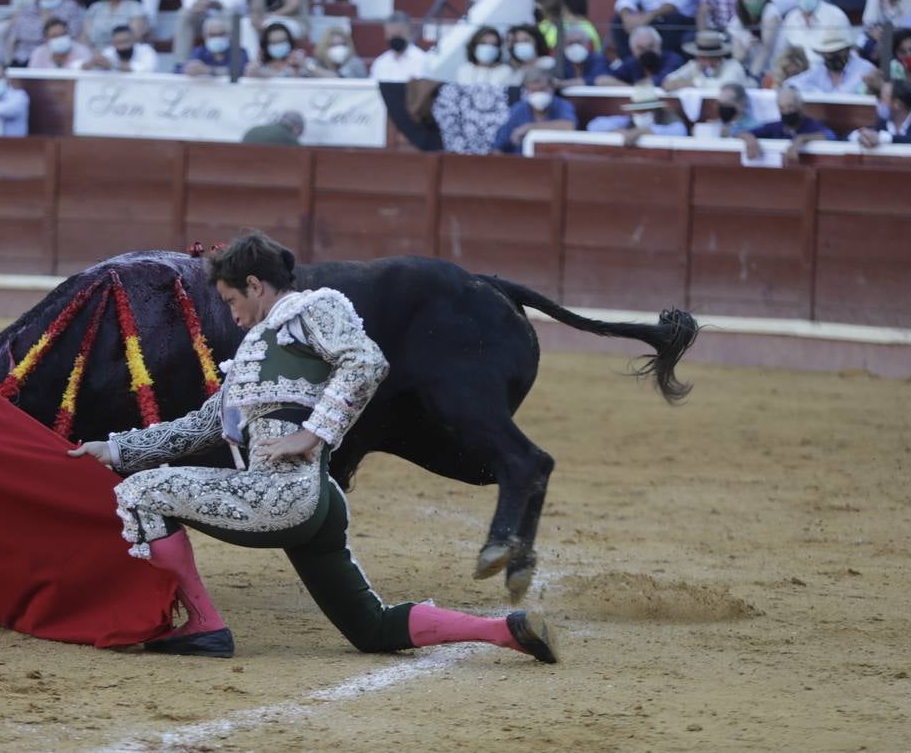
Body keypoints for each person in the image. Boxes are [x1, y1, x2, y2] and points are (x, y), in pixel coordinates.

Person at [68, 233, 558, 662]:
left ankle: (204, 625)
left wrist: (315, 432)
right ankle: (504, 632)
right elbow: (204, 427)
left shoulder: (310, 310)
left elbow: (366, 362)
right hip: (313, 507)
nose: (229, 314)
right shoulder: (254, 350)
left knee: (141, 493)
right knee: (371, 627)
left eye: (230, 300)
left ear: (256, 286)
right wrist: (112, 450)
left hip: (280, 498)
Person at [491, 66, 576, 154]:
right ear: (527, 90)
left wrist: (528, 127)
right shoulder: (519, 108)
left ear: (552, 88)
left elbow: (569, 126)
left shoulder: (562, 105)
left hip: (553, 160)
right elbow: (499, 145)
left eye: (542, 89)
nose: (538, 94)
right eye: (533, 90)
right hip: (521, 162)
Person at [740, 85, 835, 163]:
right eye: (782, 108)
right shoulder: (775, 127)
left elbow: (830, 135)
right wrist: (749, 138)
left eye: (790, 107)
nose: (786, 112)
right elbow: (740, 132)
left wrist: (802, 139)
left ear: (800, 106)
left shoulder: (809, 124)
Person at [6, 0, 86, 66]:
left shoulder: (70, 8)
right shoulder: (28, 10)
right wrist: (45, 24)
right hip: (26, 56)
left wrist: (50, 31)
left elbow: (73, 31)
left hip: (62, 55)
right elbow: (23, 34)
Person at [779, 0, 851, 68]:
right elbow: (783, 50)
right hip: (797, 72)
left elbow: (845, 51)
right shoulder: (791, 18)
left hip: (828, 69)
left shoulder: (835, 15)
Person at [849, 78, 911, 147]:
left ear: (897, 104)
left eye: (882, 98)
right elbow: (845, 137)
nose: (879, 103)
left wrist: (885, 138)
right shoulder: (880, 124)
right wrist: (860, 136)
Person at [785, 28, 875, 94]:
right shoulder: (820, 70)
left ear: (846, 50)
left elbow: (843, 95)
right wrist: (815, 92)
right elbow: (791, 83)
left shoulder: (864, 69)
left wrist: (820, 94)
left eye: (836, 52)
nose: (830, 56)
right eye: (827, 53)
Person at [588, 85, 688, 143]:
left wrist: (640, 132)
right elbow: (594, 125)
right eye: (637, 110)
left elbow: (680, 131)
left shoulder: (666, 116)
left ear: (654, 110)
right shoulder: (629, 120)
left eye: (644, 110)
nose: (640, 114)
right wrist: (618, 131)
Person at [597, 25, 684, 88]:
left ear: (659, 46)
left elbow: (662, 80)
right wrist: (631, 88)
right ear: (633, 51)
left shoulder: (672, 59)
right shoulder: (632, 63)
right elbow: (604, 80)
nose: (647, 52)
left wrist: (636, 88)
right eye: (641, 48)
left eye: (651, 46)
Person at [727, 0, 780, 83]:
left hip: (772, 69)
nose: (753, 2)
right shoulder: (736, 21)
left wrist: (753, 78)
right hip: (748, 71)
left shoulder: (770, 11)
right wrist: (747, 48)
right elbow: (738, 57)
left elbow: (766, 49)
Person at [83, 0, 149, 50]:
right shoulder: (95, 8)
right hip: (95, 53)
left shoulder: (135, 7)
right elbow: (85, 37)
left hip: (124, 53)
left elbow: (135, 37)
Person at [663, 31, 749, 91]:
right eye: (703, 58)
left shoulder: (733, 66)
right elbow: (670, 79)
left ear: (720, 56)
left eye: (712, 57)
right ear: (697, 57)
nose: (708, 62)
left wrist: (693, 84)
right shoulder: (693, 65)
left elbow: (727, 85)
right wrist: (671, 83)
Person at [180, 15, 249, 77]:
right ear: (204, 36)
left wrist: (208, 70)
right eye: (212, 35)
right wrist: (188, 69)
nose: (217, 38)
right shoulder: (199, 51)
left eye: (221, 34)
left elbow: (241, 71)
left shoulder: (239, 52)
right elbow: (178, 69)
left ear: (228, 35)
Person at [369, 11, 428, 81]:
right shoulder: (380, 63)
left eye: (399, 34)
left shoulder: (423, 61)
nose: (395, 38)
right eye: (391, 35)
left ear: (409, 32)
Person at [454, 25, 519, 86]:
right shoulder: (464, 70)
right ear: (474, 46)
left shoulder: (505, 71)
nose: (488, 48)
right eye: (483, 43)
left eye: (493, 44)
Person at [693, 82, 758, 137]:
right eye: (720, 104)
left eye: (727, 104)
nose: (722, 108)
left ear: (741, 104)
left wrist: (730, 134)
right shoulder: (717, 124)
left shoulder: (754, 126)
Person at [28, 18, 94, 69]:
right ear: (46, 39)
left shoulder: (82, 51)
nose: (60, 39)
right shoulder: (38, 53)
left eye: (63, 34)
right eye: (55, 36)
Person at [240, 110, 304, 145]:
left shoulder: (254, 129)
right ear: (297, 128)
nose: (297, 137)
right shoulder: (288, 137)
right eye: (299, 133)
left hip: (241, 167)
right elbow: (302, 156)